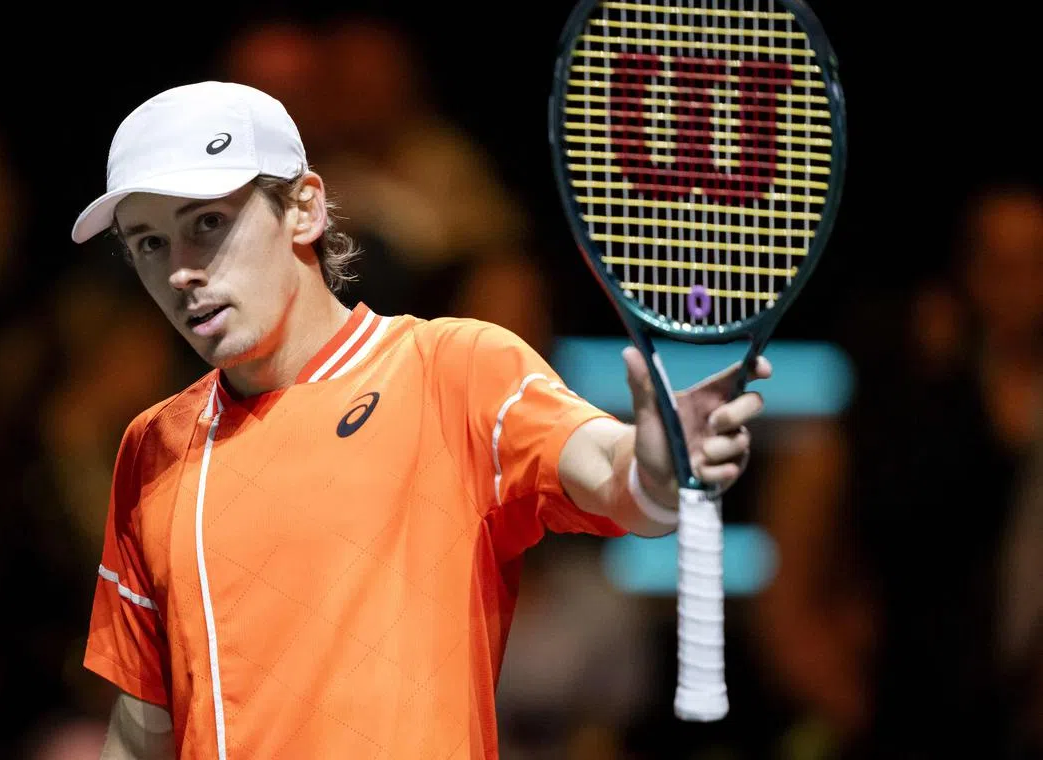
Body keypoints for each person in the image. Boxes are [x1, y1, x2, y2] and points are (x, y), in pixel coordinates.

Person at [70, 81, 771, 760]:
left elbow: (618, 483)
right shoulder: (154, 446)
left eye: (209, 224)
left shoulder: (452, 370)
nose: (181, 271)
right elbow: (142, 731)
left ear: (304, 209)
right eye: (149, 244)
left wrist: (655, 460)